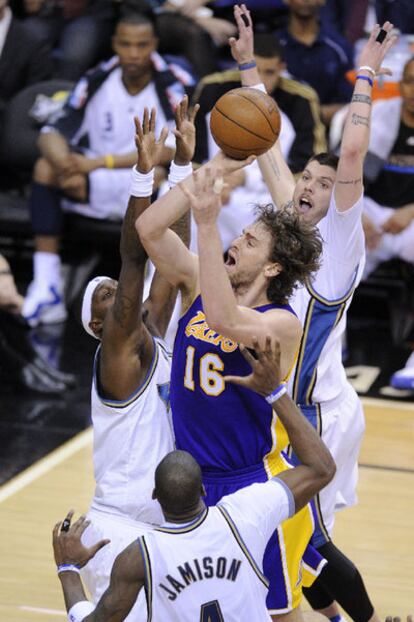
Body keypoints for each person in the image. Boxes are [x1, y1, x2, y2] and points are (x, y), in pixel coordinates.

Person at [232, 5, 396, 622]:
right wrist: (249, 67)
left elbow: (350, 153)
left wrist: (366, 72)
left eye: (324, 184)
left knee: (309, 543)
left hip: (322, 415)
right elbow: (266, 141)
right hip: (286, 408)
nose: (309, 185)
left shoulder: (341, 242)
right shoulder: (294, 226)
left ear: (342, 200)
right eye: (307, 177)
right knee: (294, 539)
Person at [136, 118, 324, 618]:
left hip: (249, 486)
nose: (236, 243)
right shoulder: (203, 278)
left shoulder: (282, 323)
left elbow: (222, 317)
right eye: (238, 233)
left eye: (250, 242)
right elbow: (148, 229)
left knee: (278, 613)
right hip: (189, 479)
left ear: (273, 268)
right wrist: (214, 167)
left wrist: (205, 220)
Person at [53, 337, 336, 622]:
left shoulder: (140, 556)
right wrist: (275, 392)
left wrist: (68, 570)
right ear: (202, 489)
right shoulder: (245, 515)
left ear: (155, 497)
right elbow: (322, 468)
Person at [76, 101, 193, 618]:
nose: (115, 291)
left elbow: (173, 261)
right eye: (105, 296)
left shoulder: (151, 337)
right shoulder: (118, 353)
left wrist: (185, 165)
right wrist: (143, 174)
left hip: (162, 527)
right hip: (119, 530)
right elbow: (135, 257)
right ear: (99, 326)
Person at [22, 10, 194, 327]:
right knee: (45, 168)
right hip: (97, 182)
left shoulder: (175, 83)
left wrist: (101, 162)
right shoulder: (97, 78)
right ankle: (47, 286)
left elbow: (180, 147)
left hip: (147, 183)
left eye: (142, 45)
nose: (133, 53)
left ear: (154, 44)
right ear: (114, 43)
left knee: (165, 181)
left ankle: (157, 294)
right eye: (126, 44)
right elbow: (51, 133)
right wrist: (65, 167)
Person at [361, 56, 414, 390]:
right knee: (329, 259)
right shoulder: (381, 116)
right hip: (372, 211)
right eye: (410, 80)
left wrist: (412, 210)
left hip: (410, 218)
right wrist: (357, 213)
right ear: (401, 84)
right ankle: (325, 348)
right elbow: (346, 170)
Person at [275, 0, 354, 125]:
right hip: (280, 132)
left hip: (329, 133)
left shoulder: (340, 48)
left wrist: (305, 116)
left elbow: (348, 105)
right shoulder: (273, 47)